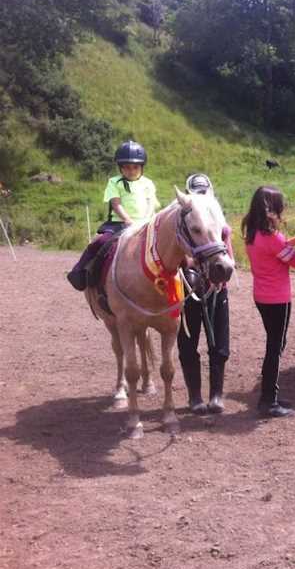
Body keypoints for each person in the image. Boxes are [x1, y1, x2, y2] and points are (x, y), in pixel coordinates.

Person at [242, 185, 295, 418]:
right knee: (275, 348)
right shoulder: (273, 237)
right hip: (278, 298)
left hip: (262, 295)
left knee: (274, 344)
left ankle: (271, 394)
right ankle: (268, 400)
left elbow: (273, 253)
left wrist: (290, 242)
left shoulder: (253, 233)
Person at [67, 140, 160, 290]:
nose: (131, 170)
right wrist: (127, 220)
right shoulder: (114, 182)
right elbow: (116, 204)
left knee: (168, 244)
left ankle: (186, 275)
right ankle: (80, 271)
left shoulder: (148, 183)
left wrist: (146, 220)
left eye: (135, 167)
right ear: (120, 167)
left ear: (141, 167)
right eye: (126, 167)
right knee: (99, 242)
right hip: (120, 223)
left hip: (146, 223)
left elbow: (151, 204)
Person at [177, 174, 233, 416]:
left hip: (216, 287)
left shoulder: (217, 218)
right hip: (188, 288)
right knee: (188, 343)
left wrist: (226, 274)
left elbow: (227, 249)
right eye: (196, 192)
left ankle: (217, 395)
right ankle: (195, 397)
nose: (201, 195)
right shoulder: (183, 221)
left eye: (204, 191)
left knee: (219, 343)